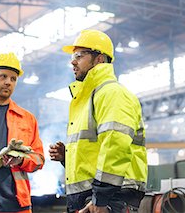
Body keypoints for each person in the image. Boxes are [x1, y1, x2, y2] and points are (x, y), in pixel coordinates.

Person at [49, 29, 148, 213]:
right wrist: (68, 158)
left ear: (99, 59)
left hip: (108, 199)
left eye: (79, 55)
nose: (73, 61)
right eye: (73, 56)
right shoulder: (87, 99)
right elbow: (94, 151)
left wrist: (101, 199)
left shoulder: (112, 93)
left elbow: (115, 146)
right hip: (91, 198)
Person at [0, 53, 45, 213]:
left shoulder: (26, 118)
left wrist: (20, 160)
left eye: (13, 79)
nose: (8, 82)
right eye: (3, 76)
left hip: (16, 205)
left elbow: (39, 159)